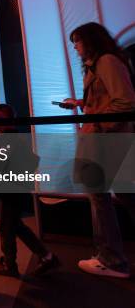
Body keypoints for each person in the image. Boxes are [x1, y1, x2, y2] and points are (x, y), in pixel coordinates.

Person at [59, 22, 135, 278]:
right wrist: (83, 104)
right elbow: (108, 99)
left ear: (91, 41)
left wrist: (98, 124)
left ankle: (112, 260)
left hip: (107, 143)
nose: (76, 48)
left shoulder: (106, 62)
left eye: (78, 41)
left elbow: (125, 102)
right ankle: (110, 256)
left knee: (101, 198)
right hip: (109, 141)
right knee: (120, 197)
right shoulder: (103, 63)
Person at [0, 104, 60, 277]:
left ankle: (10, 265)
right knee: (16, 226)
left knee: (6, 228)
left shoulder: (6, 140)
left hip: (9, 194)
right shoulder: (16, 138)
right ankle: (46, 256)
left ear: (8, 120)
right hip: (16, 191)